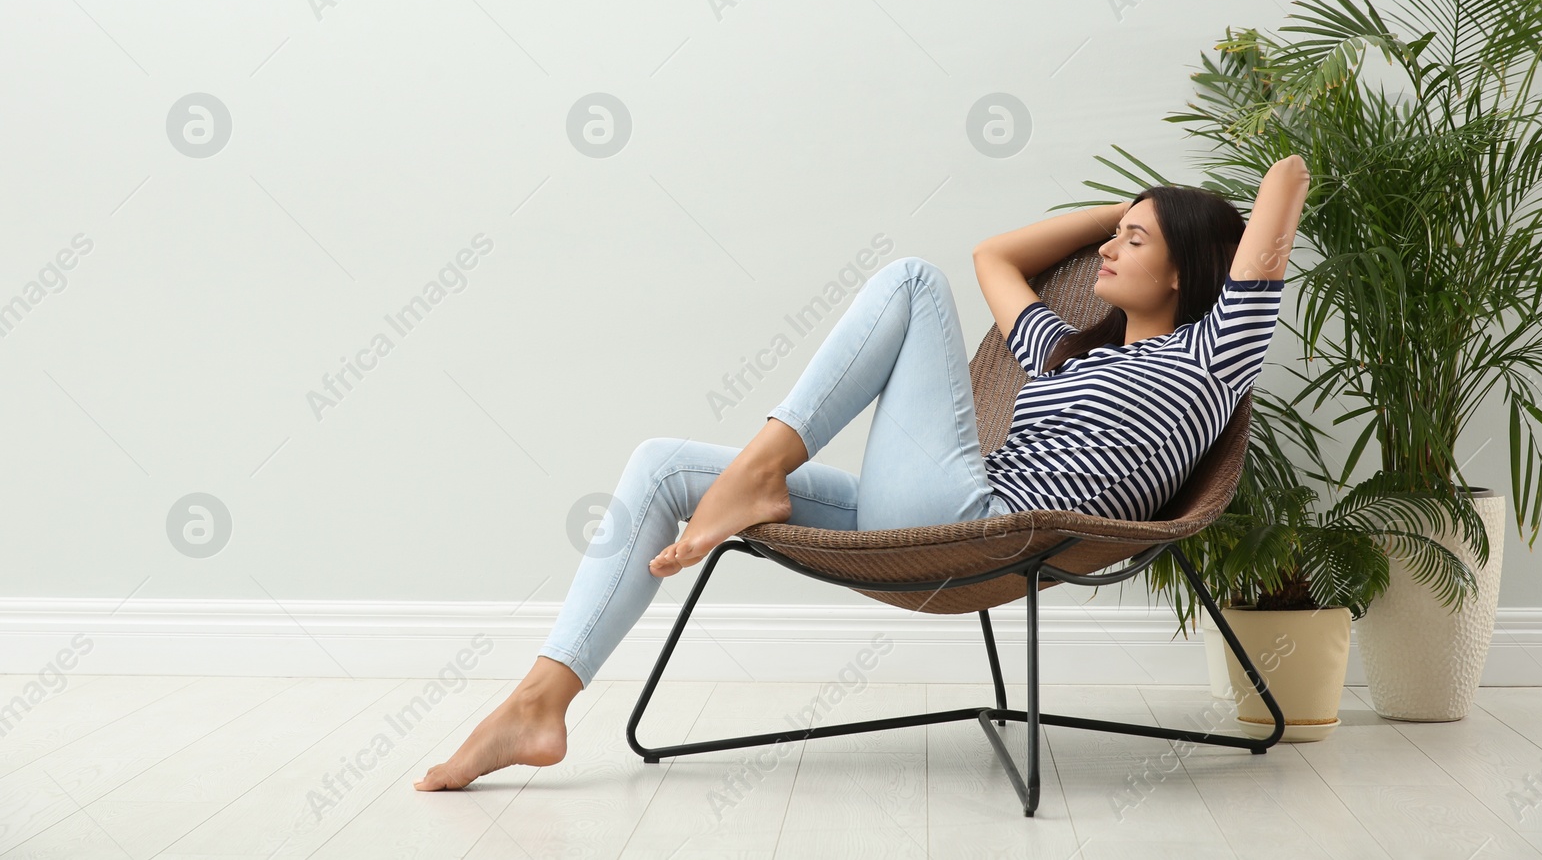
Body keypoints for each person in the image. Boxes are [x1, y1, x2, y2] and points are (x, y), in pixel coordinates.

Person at [414, 154, 1312, 791]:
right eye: (1111, 236)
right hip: (943, 517)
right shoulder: (1062, 353)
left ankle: (765, 469)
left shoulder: (1215, 351)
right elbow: (995, 257)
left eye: (1134, 241)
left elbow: (1286, 180)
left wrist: (1175, 208)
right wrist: (1130, 204)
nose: (1107, 251)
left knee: (913, 282)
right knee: (659, 466)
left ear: (1191, 268)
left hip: (993, 525)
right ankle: (541, 702)